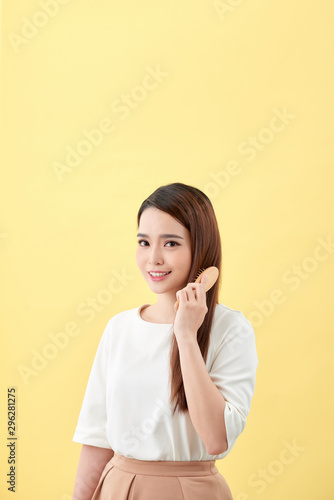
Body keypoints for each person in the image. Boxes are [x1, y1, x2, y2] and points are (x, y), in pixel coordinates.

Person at [71, 182, 259, 500]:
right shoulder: (119, 329)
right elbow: (96, 440)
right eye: (144, 242)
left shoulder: (231, 329)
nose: (153, 258)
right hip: (118, 489)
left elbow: (216, 439)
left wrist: (185, 334)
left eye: (170, 243)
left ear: (200, 248)